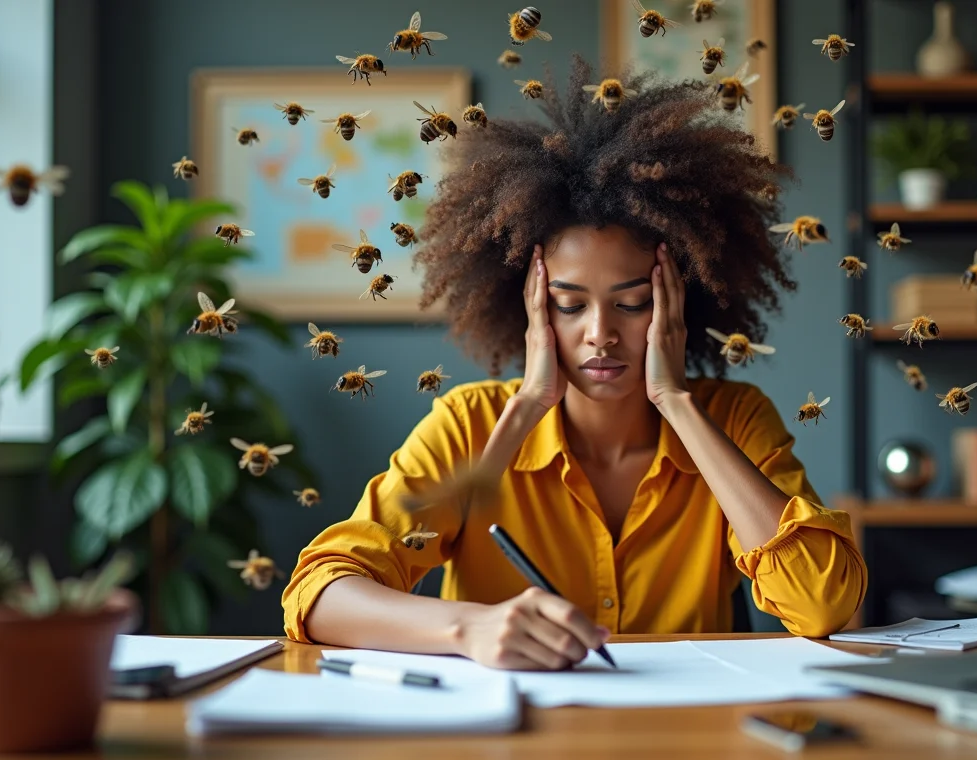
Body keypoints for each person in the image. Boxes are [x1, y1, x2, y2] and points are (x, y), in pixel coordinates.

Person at [282, 55, 867, 671]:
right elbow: (319, 595)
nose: (600, 336)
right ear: (530, 306)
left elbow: (825, 602)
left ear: (679, 301)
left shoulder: (738, 420)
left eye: (634, 303)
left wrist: (677, 404)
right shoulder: (466, 424)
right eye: (568, 305)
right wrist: (469, 627)